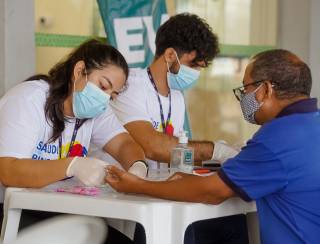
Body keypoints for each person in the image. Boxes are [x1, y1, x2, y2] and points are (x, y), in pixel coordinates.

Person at [106, 49, 320, 244]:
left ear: (265, 89)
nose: (243, 98)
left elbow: (212, 192)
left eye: (245, 89)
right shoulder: (311, 124)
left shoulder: (278, 137)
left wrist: (136, 186)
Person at [97, 13, 247, 244]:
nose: (195, 74)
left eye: (201, 68)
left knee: (229, 221)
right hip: (122, 197)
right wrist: (216, 150)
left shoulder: (176, 96)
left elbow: (178, 151)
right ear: (169, 55)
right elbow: (154, 147)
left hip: (158, 191)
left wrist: (223, 161)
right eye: (193, 65)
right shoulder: (130, 86)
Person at [0, 39, 147, 243]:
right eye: (103, 86)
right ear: (79, 71)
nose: (105, 99)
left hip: (61, 211)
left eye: (112, 95)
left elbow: (124, 144)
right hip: (14, 212)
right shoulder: (28, 100)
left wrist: (137, 167)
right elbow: (9, 171)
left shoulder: (96, 112)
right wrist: (71, 166)